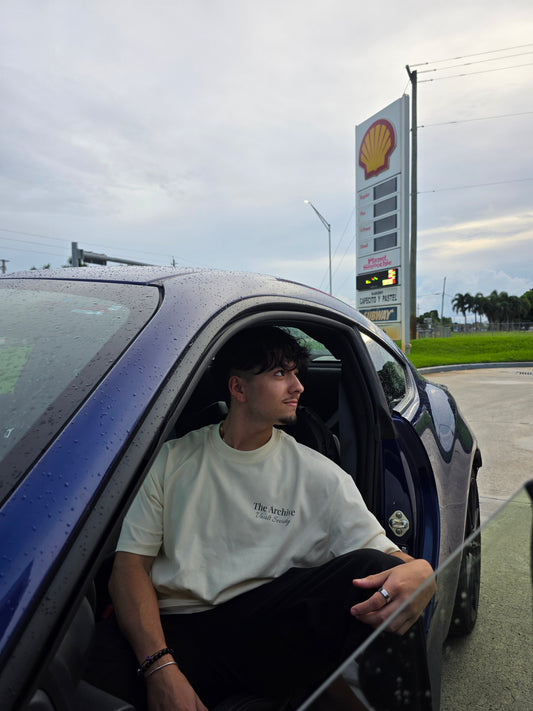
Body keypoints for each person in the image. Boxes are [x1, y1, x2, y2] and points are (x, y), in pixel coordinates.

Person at [86, 326, 436, 711]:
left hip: (263, 630)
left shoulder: (318, 475)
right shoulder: (173, 459)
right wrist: (160, 668)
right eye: (280, 374)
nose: (299, 386)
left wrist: (421, 572)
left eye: (296, 373)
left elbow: (386, 559)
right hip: (176, 628)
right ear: (238, 388)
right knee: (83, 664)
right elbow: (130, 566)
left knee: (379, 575)